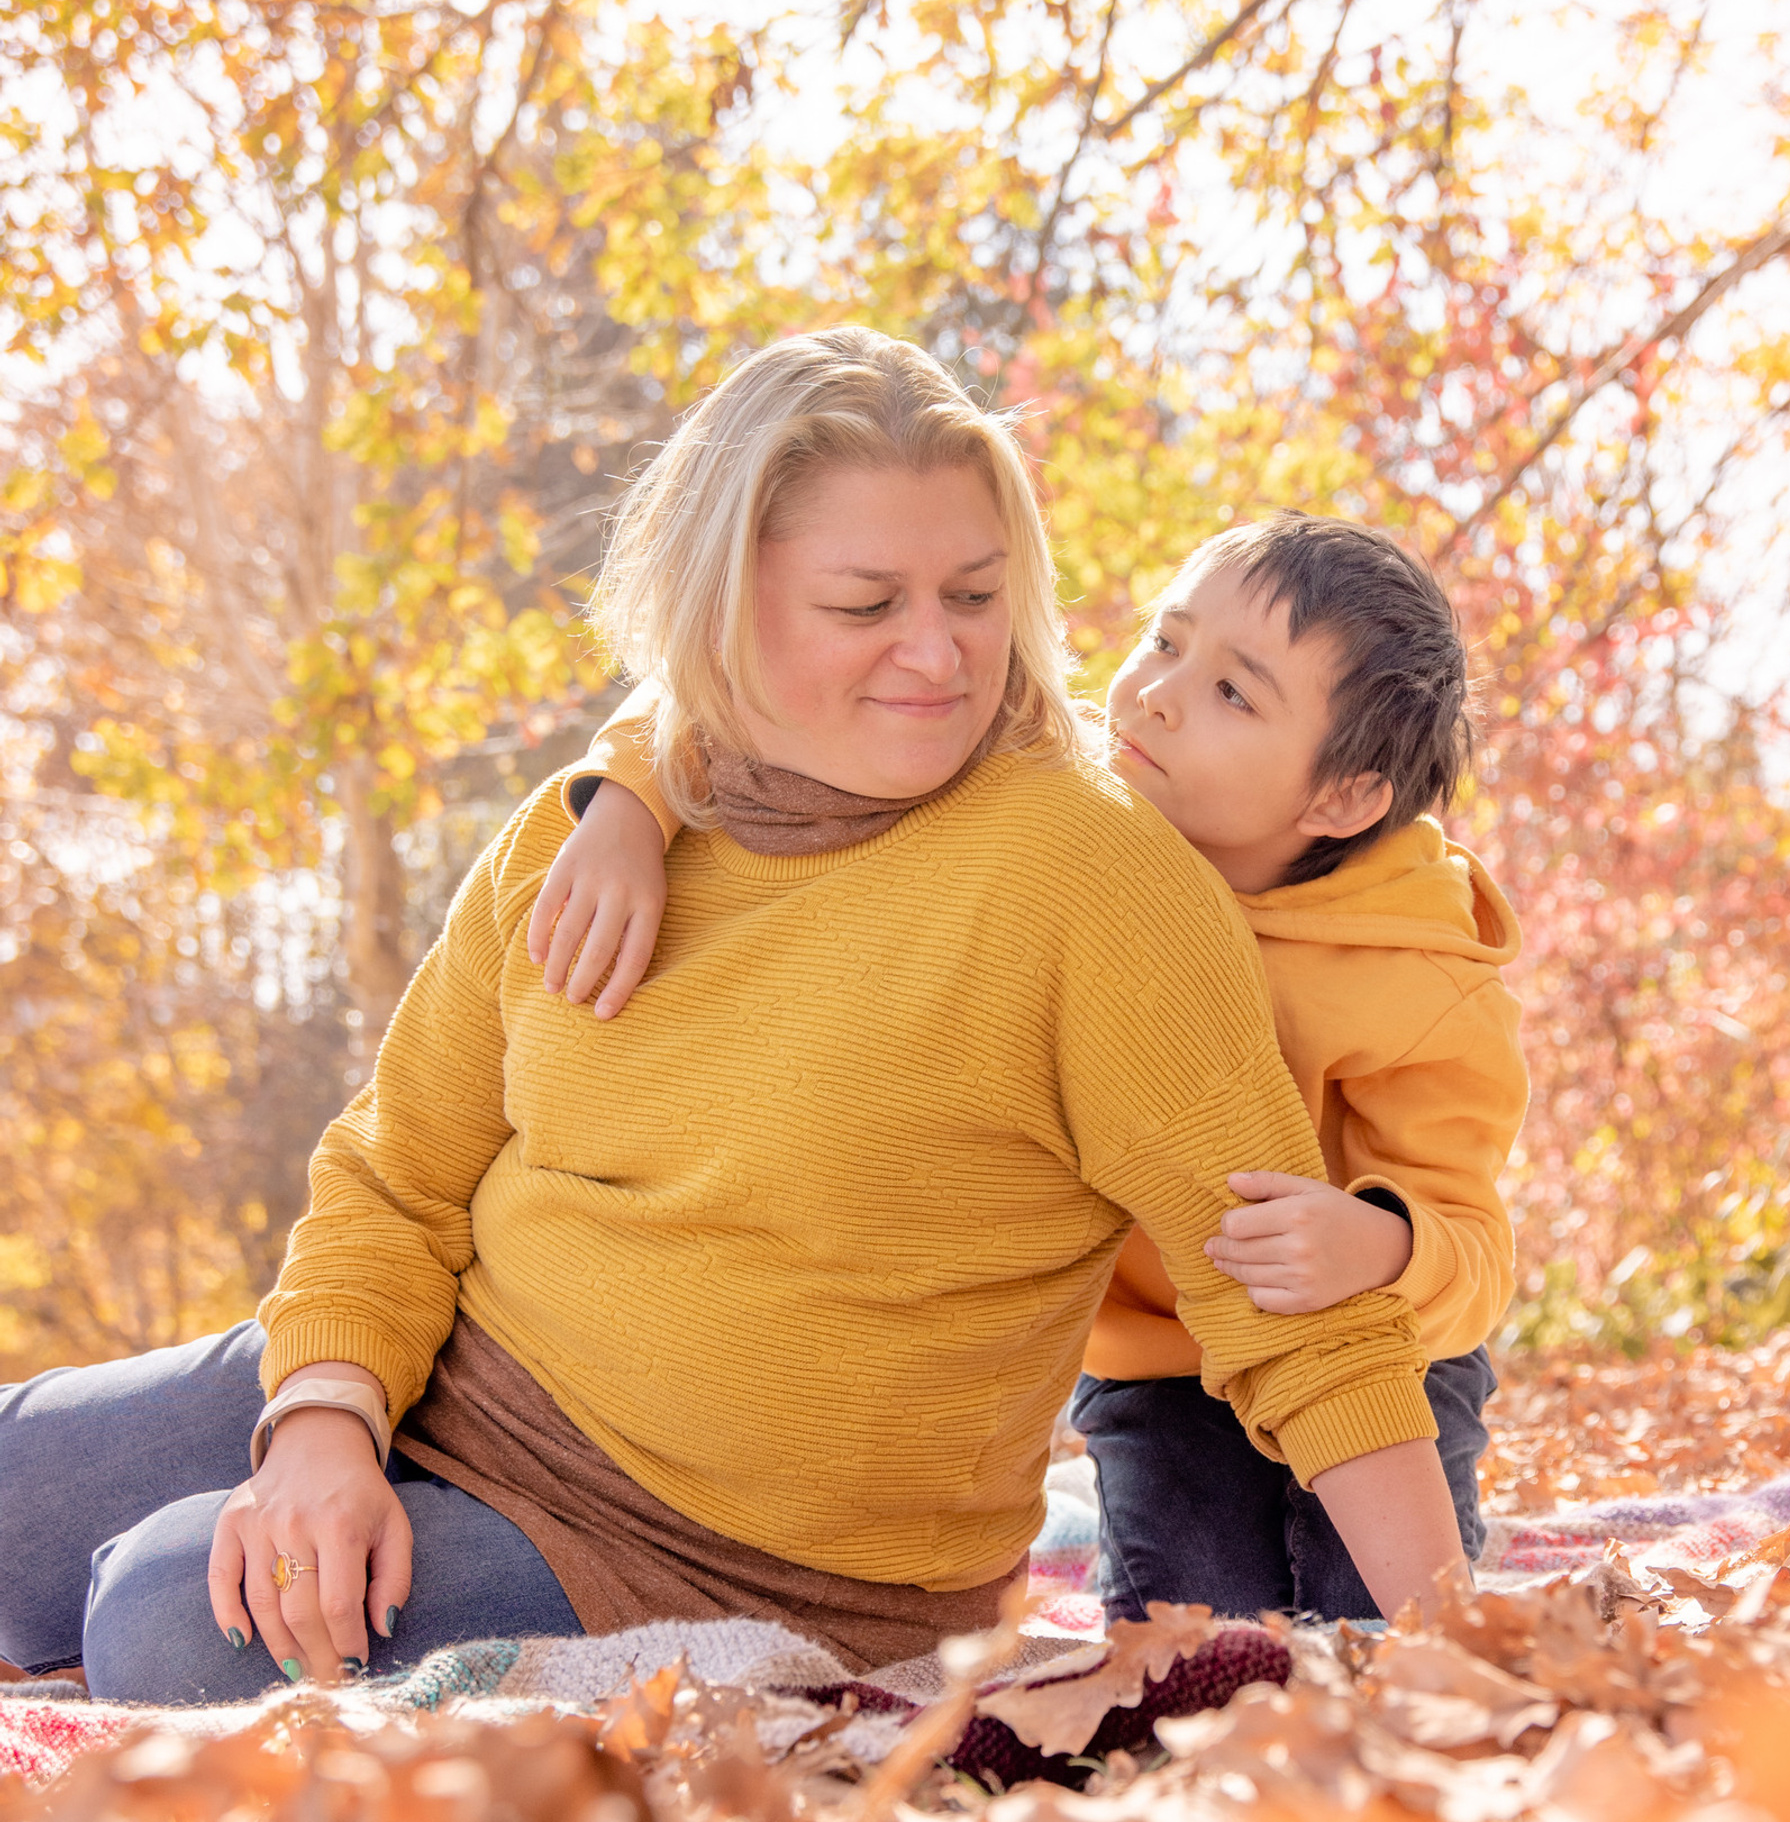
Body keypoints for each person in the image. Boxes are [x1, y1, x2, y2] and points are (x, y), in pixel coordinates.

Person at [0, 331, 1462, 1708]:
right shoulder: (596, 826)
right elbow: (398, 1175)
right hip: (462, 1376)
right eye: (864, 604)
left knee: (165, 1619)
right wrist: (323, 1424)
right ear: (720, 598)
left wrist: (1467, 1643)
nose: (940, 656)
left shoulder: (1096, 880)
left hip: (737, 1557)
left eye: (973, 592)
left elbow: (1295, 1316)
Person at [536, 511, 1526, 1625]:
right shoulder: (1056, 789)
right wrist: (625, 800)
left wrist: (1382, 1242)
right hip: (1164, 1364)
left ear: (1340, 797)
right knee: (1191, 1639)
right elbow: (774, 693)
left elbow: (1476, 1243)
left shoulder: (1421, 978)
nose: (1154, 692)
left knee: (1372, 1622)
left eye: (1234, 693)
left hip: (1382, 1354)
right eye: (1164, 640)